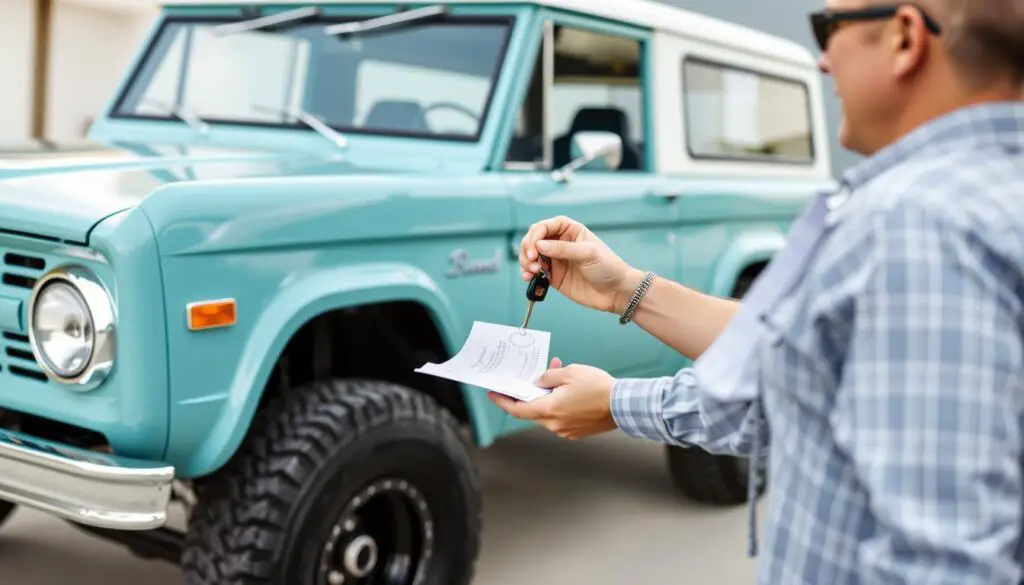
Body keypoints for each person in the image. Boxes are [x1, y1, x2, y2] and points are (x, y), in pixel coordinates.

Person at [488, 0, 1024, 583]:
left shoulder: (917, 224)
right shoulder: (983, 196)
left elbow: (946, 563)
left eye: (829, 28)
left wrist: (615, 400)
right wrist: (623, 296)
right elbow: (808, 381)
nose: (822, 62)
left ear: (904, 38)